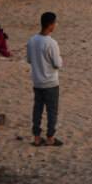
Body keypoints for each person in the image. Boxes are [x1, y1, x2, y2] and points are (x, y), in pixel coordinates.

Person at [27, 12, 62, 147]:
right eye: (55, 23)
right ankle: (50, 138)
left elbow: (30, 59)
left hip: (37, 82)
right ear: (50, 25)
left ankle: (36, 137)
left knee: (37, 110)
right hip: (51, 83)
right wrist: (60, 59)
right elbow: (57, 64)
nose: (56, 25)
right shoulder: (51, 43)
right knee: (52, 111)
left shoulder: (32, 40)